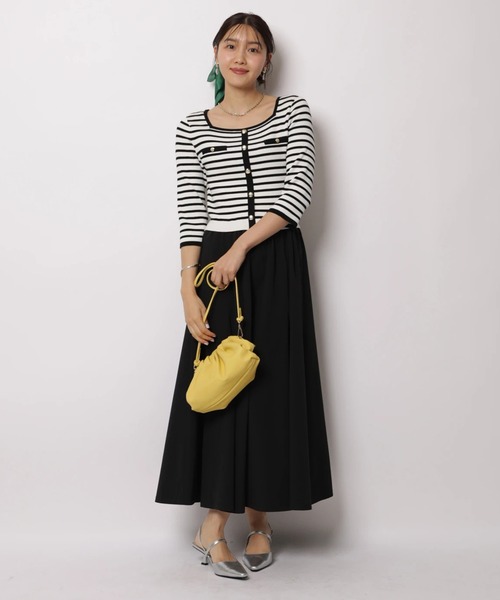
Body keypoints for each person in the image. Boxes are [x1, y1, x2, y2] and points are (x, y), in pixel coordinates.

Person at [155, 12, 333, 579]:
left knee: (271, 386)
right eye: (230, 46)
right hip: (214, 270)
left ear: (267, 60)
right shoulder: (192, 127)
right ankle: (214, 525)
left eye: (253, 48)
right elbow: (192, 208)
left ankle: (257, 522)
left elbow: (297, 189)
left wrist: (241, 248)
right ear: (215, 54)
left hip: (274, 260)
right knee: (223, 387)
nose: (241, 56)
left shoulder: (293, 111)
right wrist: (187, 287)